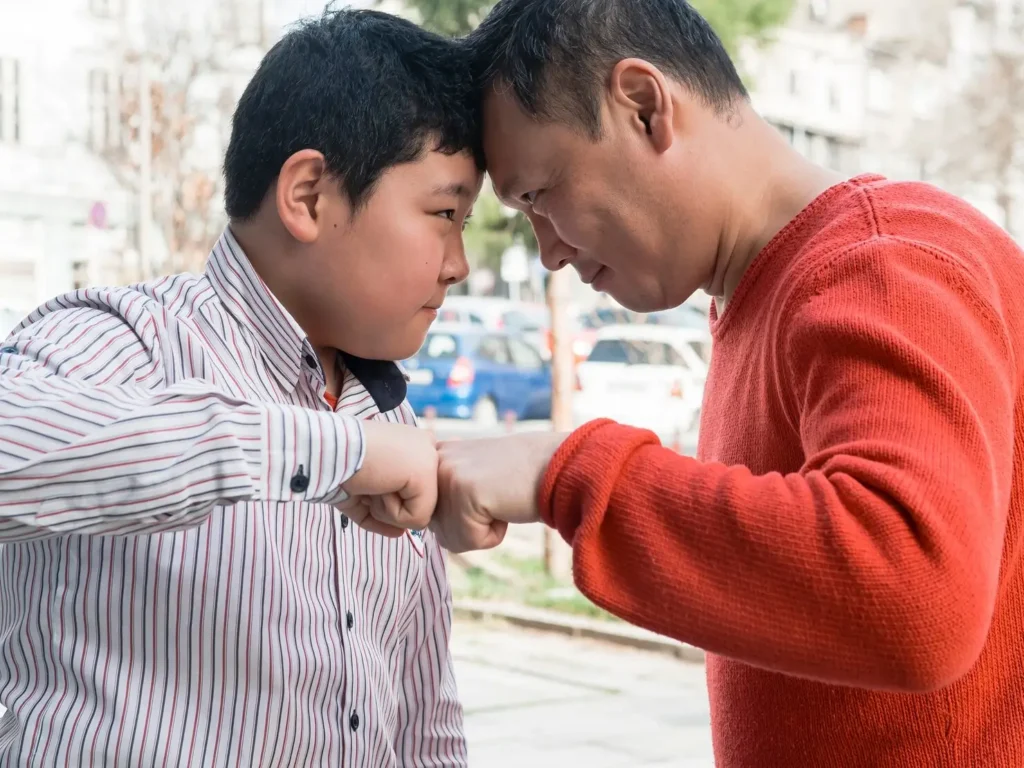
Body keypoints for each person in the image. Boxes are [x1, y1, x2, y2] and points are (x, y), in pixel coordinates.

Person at [428, 1, 1024, 765]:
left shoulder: (881, 263)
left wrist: (561, 472)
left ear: (644, 108)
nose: (547, 252)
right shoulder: (765, 296)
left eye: (539, 196)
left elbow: (916, 597)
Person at [0, 10, 480, 766]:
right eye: (445, 214)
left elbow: (423, 719)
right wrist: (337, 452)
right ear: (309, 196)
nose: (459, 263)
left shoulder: (387, 419)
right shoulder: (123, 343)